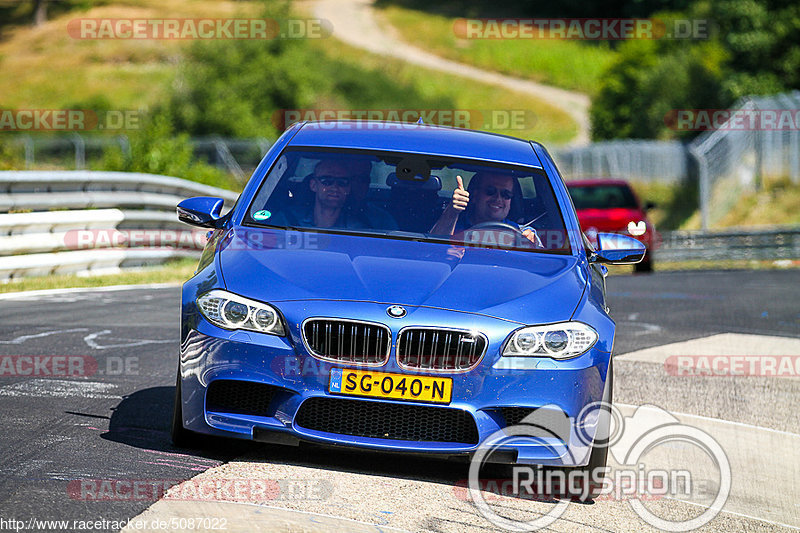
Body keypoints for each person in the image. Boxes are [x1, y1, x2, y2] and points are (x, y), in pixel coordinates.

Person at [430, 172, 541, 246]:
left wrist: (531, 245)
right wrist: (452, 212)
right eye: (490, 191)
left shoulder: (522, 233)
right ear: (474, 196)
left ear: (512, 201)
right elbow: (432, 248)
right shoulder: (451, 225)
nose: (498, 198)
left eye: (506, 194)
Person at [270, 160, 367, 229]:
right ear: (313, 185)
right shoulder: (287, 220)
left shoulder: (357, 229)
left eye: (342, 182)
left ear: (348, 188)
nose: (335, 187)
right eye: (327, 181)